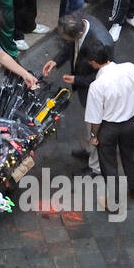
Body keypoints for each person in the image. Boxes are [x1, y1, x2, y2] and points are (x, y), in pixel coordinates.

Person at [42, 12, 114, 174]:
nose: (66, 42)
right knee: (89, 125)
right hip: (86, 89)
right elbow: (70, 45)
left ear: (79, 33)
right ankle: (90, 151)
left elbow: (102, 74)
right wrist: (56, 60)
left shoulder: (103, 43)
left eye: (67, 38)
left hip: (95, 92)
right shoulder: (80, 22)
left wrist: (77, 80)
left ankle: (95, 167)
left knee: (96, 127)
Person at [84, 40, 134, 201]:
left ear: (93, 62)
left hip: (108, 128)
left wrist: (94, 135)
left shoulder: (97, 86)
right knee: (131, 155)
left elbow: (96, 118)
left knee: (108, 163)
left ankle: (113, 199)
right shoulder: (130, 68)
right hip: (129, 124)